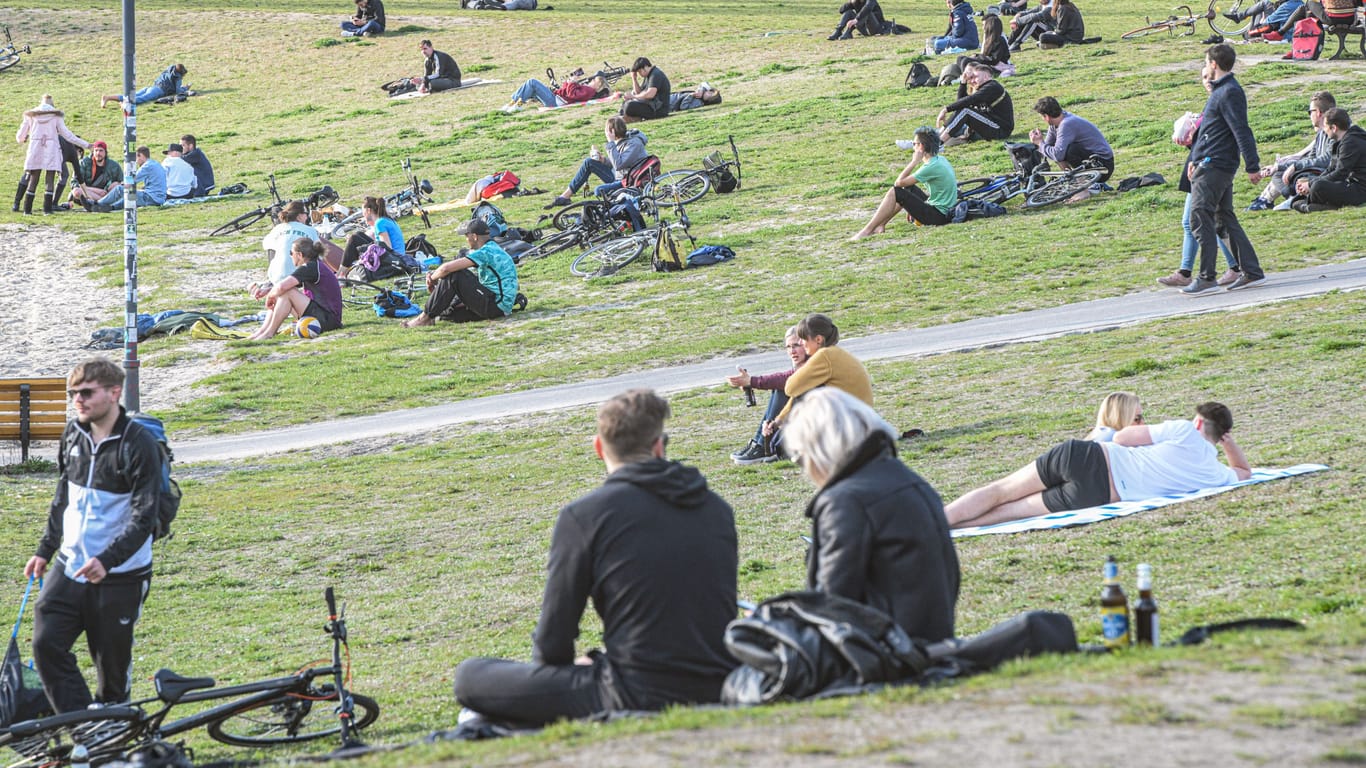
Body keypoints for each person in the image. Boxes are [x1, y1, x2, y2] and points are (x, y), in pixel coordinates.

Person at [452, 388, 738, 726]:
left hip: (635, 691)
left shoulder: (586, 516)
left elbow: (553, 641)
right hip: (719, 681)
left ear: (599, 447)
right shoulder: (716, 508)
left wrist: (575, 672)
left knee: (470, 675)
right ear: (659, 445)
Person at [26, 358, 160, 713]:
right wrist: (45, 550)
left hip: (119, 575)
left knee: (112, 674)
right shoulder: (73, 434)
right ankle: (85, 728)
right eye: (73, 394)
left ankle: (112, 734)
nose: (78, 401)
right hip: (70, 566)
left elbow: (144, 516)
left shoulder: (139, 444)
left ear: (115, 393)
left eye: (86, 393)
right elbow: (63, 497)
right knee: (46, 645)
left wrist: (107, 561)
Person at [784, 388, 960, 642]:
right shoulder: (908, 479)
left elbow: (833, 602)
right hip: (930, 636)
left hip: (881, 650)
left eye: (800, 458)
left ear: (820, 449)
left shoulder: (846, 501)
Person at [945, 401, 1252, 529]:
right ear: (1222, 435)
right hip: (1099, 495)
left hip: (1089, 457)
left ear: (1199, 420)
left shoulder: (1184, 430)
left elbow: (1121, 438)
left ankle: (936, 518)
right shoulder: (1215, 475)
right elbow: (1244, 472)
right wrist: (1228, 442)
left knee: (1000, 490)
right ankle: (950, 529)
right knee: (1010, 512)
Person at [1181, 44, 1266, 296]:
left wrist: (1253, 166)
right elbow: (1210, 133)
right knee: (1222, 219)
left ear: (1214, 64)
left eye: (1207, 62)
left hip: (1216, 165)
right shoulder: (1221, 92)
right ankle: (1251, 271)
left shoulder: (1229, 92)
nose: (1206, 67)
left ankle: (1207, 277)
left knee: (1199, 217)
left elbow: (1241, 130)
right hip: (1210, 163)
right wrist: (1194, 159)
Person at [402, 218, 520, 326]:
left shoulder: (485, 252)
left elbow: (446, 269)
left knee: (456, 274)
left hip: (495, 305)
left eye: (466, 236)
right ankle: (431, 315)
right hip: (500, 306)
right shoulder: (494, 247)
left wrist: (431, 278)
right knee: (447, 313)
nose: (466, 239)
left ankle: (424, 318)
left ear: (474, 236)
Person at [852, 126, 957, 239]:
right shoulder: (940, 160)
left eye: (914, 143)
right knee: (908, 188)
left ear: (921, 147)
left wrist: (913, 162)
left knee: (895, 192)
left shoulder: (931, 167)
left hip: (939, 216)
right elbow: (905, 184)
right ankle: (881, 225)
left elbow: (898, 183)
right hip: (945, 211)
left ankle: (867, 230)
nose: (913, 146)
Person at [726, 326, 810, 464]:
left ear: (806, 343)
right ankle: (760, 443)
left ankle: (763, 446)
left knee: (782, 388)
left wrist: (752, 381)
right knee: (780, 389)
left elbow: (790, 379)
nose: (792, 351)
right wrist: (750, 383)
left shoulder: (815, 362)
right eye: (788, 347)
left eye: (796, 345)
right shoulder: (804, 363)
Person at [774, 314, 874, 424]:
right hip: (862, 419)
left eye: (803, 339)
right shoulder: (834, 353)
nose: (801, 343)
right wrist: (779, 420)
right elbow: (798, 393)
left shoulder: (824, 356)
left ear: (818, 339)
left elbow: (790, 388)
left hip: (851, 425)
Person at [1247, 92, 1335, 211]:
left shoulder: (1334, 132)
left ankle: (1290, 199)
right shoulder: (1321, 133)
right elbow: (1310, 156)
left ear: (1318, 112)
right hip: (1317, 171)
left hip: (1325, 175)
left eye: (1310, 112)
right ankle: (1286, 198)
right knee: (1279, 173)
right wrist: (1281, 166)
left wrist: (1294, 166)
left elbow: (1326, 160)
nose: (1309, 115)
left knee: (1296, 177)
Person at [246, 238, 343, 340]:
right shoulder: (314, 265)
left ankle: (269, 333)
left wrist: (270, 296)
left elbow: (282, 287)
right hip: (324, 317)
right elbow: (285, 285)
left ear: (299, 255)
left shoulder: (310, 267)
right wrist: (269, 290)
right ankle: (262, 332)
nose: (290, 256)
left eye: (291, 253)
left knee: (287, 292)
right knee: (283, 292)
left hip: (328, 320)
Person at [544, 116, 648, 209]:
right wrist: (602, 160)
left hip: (626, 181)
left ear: (612, 132)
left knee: (598, 190)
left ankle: (614, 197)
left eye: (607, 130)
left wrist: (610, 143)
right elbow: (619, 163)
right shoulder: (623, 141)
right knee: (589, 162)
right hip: (622, 175)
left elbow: (619, 165)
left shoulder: (634, 144)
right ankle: (565, 196)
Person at [15, 94, 89, 215]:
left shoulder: (31, 116)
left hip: (35, 148)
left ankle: (27, 210)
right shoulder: (56, 116)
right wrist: (86, 144)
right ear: (51, 105)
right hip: (51, 149)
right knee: (49, 180)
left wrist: (23, 138)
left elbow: (20, 137)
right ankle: (47, 210)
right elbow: (68, 135)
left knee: (34, 179)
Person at [1294, 107, 1366, 210]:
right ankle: (1312, 205)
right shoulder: (1342, 141)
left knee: (1318, 187)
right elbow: (1331, 168)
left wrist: (1311, 185)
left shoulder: (1350, 142)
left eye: (1326, 126)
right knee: (1312, 186)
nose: (1324, 130)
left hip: (1360, 189)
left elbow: (1341, 173)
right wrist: (1311, 182)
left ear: (1334, 128)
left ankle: (1315, 206)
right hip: (1350, 184)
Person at [1029, 96, 1115, 182]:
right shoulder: (1056, 123)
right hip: (1093, 160)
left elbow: (1057, 154)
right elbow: (1048, 149)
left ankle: (1086, 184)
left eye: (1042, 116)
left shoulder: (1066, 124)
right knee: (1057, 150)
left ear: (1046, 116)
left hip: (1103, 166)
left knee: (1069, 150)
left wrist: (1040, 143)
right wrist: (1040, 144)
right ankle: (1073, 181)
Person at [254, 201, 322, 299]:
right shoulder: (310, 230)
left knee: (274, 249)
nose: (307, 217)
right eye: (305, 214)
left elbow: (266, 245)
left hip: (277, 276)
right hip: (299, 276)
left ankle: (274, 282)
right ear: (299, 216)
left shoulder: (278, 228)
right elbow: (319, 254)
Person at [937, 63, 1014, 147]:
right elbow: (961, 102)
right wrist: (963, 83)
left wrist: (946, 109)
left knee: (965, 111)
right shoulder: (984, 88)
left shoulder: (992, 86)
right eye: (971, 78)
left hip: (1000, 130)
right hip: (989, 126)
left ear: (986, 77)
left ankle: (938, 144)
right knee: (962, 112)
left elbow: (970, 100)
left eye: (975, 77)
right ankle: (936, 139)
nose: (972, 80)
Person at [91, 146, 166, 211]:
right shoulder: (155, 163)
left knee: (119, 189)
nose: (136, 161)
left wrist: (123, 183)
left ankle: (96, 203)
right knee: (129, 197)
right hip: (158, 199)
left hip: (151, 198)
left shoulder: (147, 166)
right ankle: (111, 207)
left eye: (136, 158)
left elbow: (132, 180)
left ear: (140, 156)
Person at [341, 196, 404, 271]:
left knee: (354, 238)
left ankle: (341, 273)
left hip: (393, 260)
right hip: (398, 257)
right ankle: (344, 270)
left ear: (368, 210)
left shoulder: (380, 223)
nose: (363, 214)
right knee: (358, 236)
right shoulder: (387, 220)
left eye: (363, 211)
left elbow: (386, 248)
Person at [502, 74, 608, 112]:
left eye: (594, 81)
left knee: (532, 82)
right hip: (556, 98)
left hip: (556, 101)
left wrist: (571, 83)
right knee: (530, 86)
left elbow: (572, 95)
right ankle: (514, 103)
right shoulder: (587, 89)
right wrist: (568, 82)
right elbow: (567, 91)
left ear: (598, 86)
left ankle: (515, 104)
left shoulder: (589, 91)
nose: (591, 80)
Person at [100, 64, 187, 108]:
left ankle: (108, 97)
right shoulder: (177, 77)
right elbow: (178, 91)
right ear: (181, 73)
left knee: (132, 96)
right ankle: (125, 104)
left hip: (151, 87)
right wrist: (186, 88)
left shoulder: (168, 72)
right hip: (158, 91)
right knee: (141, 99)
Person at [66, 140, 122, 208]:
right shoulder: (84, 163)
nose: (98, 153)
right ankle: (100, 203)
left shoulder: (114, 165)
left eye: (101, 150)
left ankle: (94, 203)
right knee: (76, 191)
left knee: (116, 185)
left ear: (105, 152)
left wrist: (113, 186)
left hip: (105, 193)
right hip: (88, 192)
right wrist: (96, 191)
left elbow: (122, 183)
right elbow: (74, 182)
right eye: (96, 150)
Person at [619, 57, 671, 123]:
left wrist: (633, 97)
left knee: (629, 106)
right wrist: (634, 79)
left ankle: (631, 118)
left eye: (640, 71)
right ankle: (627, 118)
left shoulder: (656, 75)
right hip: (650, 105)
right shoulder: (648, 76)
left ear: (646, 67)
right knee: (625, 103)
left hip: (658, 109)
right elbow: (639, 93)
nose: (640, 74)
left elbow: (650, 94)